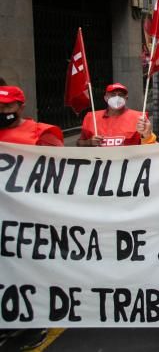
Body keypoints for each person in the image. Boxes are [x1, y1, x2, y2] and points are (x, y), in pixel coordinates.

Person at [0, 85, 61, 349]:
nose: (2, 112)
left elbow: (63, 173)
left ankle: (34, 322)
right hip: (4, 217)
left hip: (31, 218)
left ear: (20, 107)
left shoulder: (42, 134)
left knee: (29, 269)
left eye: (7, 107)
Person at [77, 83, 155, 146]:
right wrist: (89, 142)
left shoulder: (139, 117)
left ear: (126, 98)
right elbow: (79, 143)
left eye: (120, 95)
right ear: (106, 98)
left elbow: (148, 144)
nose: (117, 98)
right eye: (113, 94)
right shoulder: (91, 118)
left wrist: (146, 134)